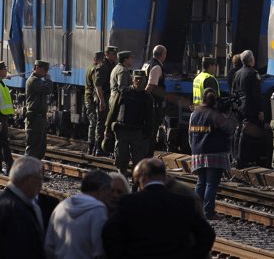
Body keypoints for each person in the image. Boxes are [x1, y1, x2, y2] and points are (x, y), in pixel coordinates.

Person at [102, 158, 215, 259]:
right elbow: (208, 234)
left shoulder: (128, 202)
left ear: (143, 177)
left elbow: (108, 232)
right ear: (164, 176)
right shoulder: (184, 202)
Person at [189, 87, 237, 219]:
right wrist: (230, 114)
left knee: (201, 182)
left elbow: (190, 135)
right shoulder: (215, 114)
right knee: (211, 183)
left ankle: (197, 211)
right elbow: (230, 128)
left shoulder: (195, 113)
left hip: (197, 153)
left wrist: (194, 149)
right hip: (215, 154)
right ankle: (208, 212)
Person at [0, 156, 45, 259]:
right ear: (27, 180)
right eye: (39, 179)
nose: (41, 185)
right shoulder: (13, 210)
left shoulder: (8, 202)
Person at [45, 169, 112, 259]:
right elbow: (99, 251)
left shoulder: (61, 206)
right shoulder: (98, 209)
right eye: (108, 192)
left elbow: (48, 247)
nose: (109, 197)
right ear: (101, 190)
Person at [104, 70, 153, 178]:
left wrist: (149, 134)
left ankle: (136, 182)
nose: (139, 81)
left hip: (138, 132)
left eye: (141, 79)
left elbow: (150, 118)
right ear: (132, 80)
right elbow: (113, 111)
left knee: (138, 160)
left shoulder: (147, 97)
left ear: (145, 81)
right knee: (121, 157)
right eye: (137, 79)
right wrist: (107, 128)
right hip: (122, 131)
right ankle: (122, 177)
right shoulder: (123, 92)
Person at [232, 49, 264, 168]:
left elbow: (233, 91)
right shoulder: (253, 74)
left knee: (237, 131)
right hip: (249, 107)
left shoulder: (237, 73)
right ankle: (241, 160)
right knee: (245, 134)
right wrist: (260, 110)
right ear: (251, 60)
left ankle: (234, 158)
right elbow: (257, 94)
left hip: (239, 106)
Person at [25, 59, 52, 159]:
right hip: (34, 117)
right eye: (45, 69)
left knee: (40, 147)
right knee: (33, 145)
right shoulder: (33, 81)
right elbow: (47, 90)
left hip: (40, 117)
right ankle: (27, 170)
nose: (46, 72)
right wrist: (48, 80)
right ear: (37, 68)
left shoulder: (38, 81)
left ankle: (35, 169)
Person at [94, 46, 118, 156]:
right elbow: (98, 85)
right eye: (113, 54)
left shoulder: (113, 65)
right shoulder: (102, 67)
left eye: (115, 54)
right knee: (101, 124)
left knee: (108, 123)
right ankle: (98, 148)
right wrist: (102, 101)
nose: (114, 56)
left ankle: (106, 148)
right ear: (107, 54)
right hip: (103, 97)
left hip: (109, 98)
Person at [144, 44, 167, 156]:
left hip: (148, 104)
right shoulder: (157, 67)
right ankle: (148, 156)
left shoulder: (146, 63)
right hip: (152, 104)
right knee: (152, 131)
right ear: (163, 55)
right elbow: (150, 86)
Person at [85, 51, 104, 155]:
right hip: (92, 99)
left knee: (92, 123)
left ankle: (91, 147)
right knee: (94, 123)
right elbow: (96, 86)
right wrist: (100, 99)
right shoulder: (95, 70)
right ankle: (92, 146)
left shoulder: (89, 68)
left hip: (88, 98)